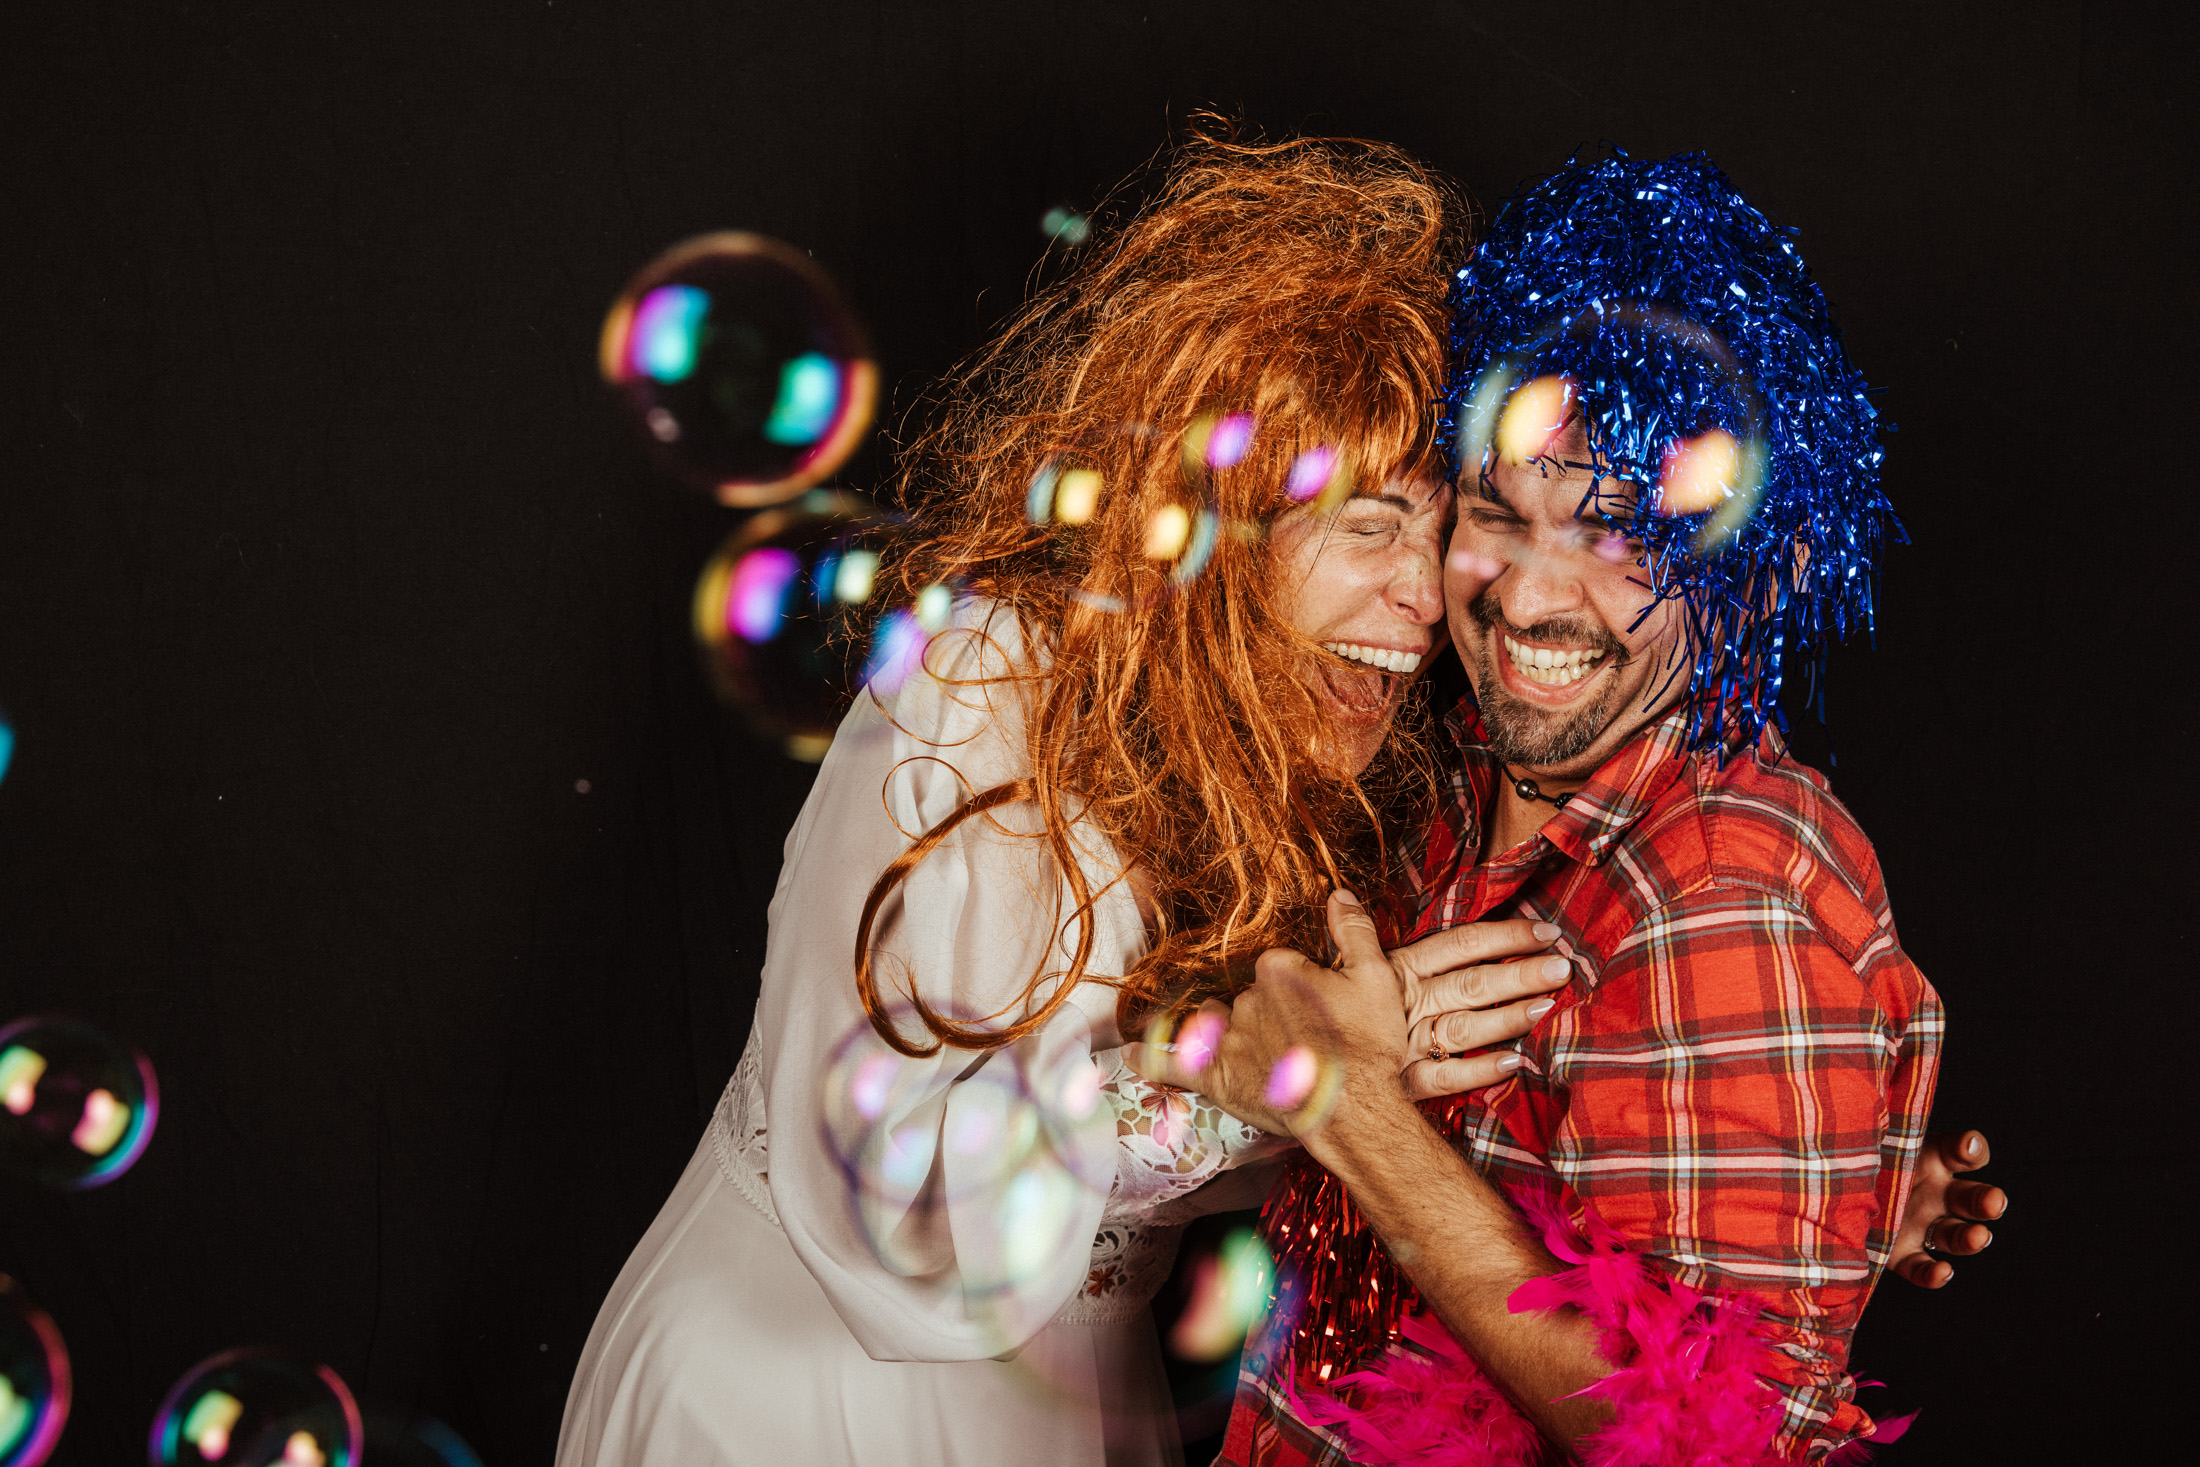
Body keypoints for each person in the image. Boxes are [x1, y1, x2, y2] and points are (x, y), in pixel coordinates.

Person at [554, 131, 1582, 1467]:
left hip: (1056, 1414)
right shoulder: (982, 683)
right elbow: (896, 1196)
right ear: (1217, 515)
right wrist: (1252, 1085)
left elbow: (1359, 1118)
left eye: (1442, 535)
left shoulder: (1292, 758)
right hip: (797, 1400)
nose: (1421, 603)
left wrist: (1816, 1193)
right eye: (1375, 522)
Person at [1133, 150, 1989, 1464]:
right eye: (1499, 515)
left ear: (1747, 574)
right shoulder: (1469, 765)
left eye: (1619, 539)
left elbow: (1708, 1448)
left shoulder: (1724, 890)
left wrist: (1345, 1106)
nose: (1530, 600)